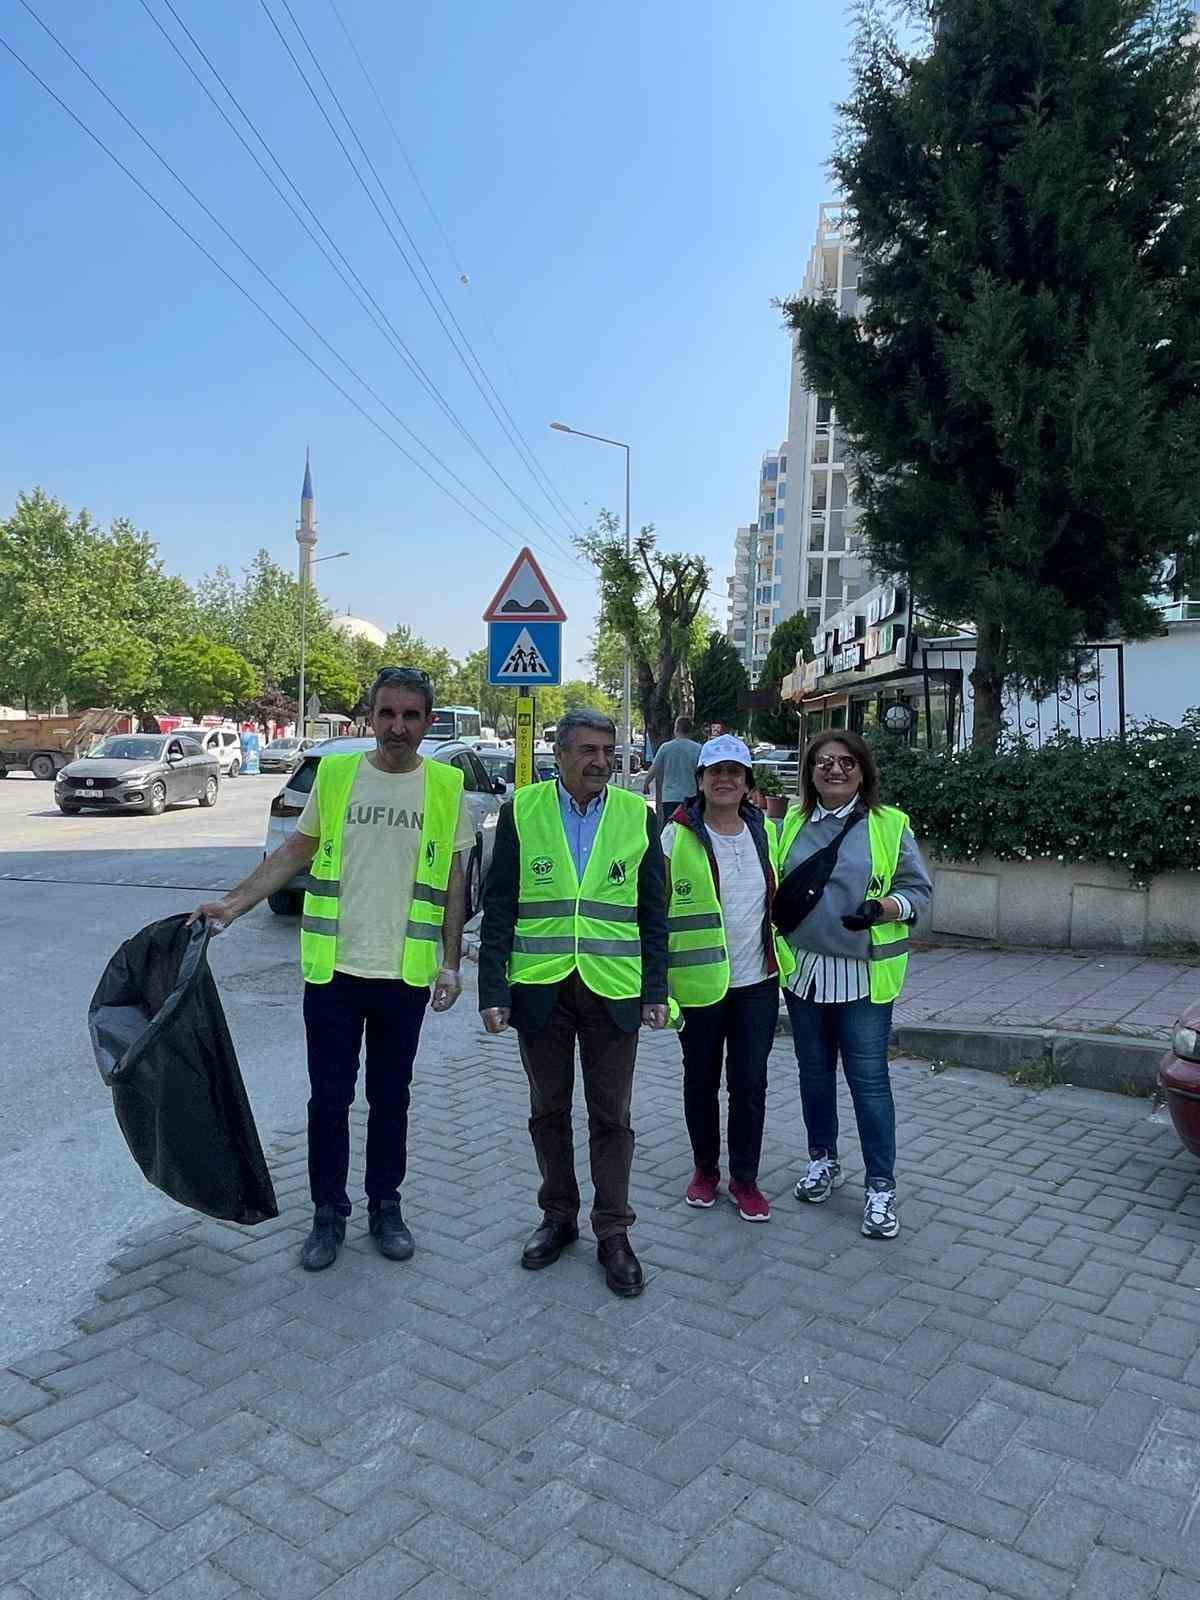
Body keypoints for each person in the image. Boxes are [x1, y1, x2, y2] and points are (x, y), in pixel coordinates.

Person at [191, 666, 473, 1272]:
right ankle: (327, 1214)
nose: (397, 727)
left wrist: (450, 964)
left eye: (411, 715)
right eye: (387, 713)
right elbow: (296, 849)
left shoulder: (447, 786)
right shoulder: (339, 775)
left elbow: (455, 882)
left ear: (428, 721)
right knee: (329, 1101)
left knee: (391, 1100)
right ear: (370, 716)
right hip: (335, 973)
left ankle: (385, 1208)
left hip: (404, 975)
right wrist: (234, 904)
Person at [478, 709, 669, 1298]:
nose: (601, 762)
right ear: (558, 754)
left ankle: (614, 1231)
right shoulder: (522, 810)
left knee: (612, 1117)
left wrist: (656, 989)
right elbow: (499, 904)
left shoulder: (637, 815)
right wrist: (493, 989)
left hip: (614, 990)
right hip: (541, 990)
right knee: (548, 1111)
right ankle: (558, 1217)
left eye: (608, 751)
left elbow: (653, 911)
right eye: (588, 750)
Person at [776, 729, 932, 1239]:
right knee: (814, 1076)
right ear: (810, 772)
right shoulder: (792, 822)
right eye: (824, 762)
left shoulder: (889, 824)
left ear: (863, 771)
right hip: (803, 973)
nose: (835, 770)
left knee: (868, 1083)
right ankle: (823, 1159)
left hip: (862, 978)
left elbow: (918, 890)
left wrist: (885, 908)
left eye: (846, 762)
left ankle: (881, 1186)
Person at [662, 735, 796, 1222]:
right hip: (698, 983)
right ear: (700, 780)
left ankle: (744, 1179)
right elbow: (654, 912)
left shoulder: (764, 832)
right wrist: (657, 985)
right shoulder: (675, 835)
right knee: (700, 1080)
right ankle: (705, 1170)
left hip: (756, 982)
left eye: (734, 772)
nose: (724, 780)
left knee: (749, 1084)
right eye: (715, 771)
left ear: (746, 783)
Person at [646, 716, 703, 829]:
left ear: (676, 728)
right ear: (690, 730)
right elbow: (701, 773)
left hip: (670, 797)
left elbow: (654, 768)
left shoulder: (666, 747)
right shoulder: (698, 749)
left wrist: (646, 784)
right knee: (688, 829)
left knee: (670, 829)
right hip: (690, 796)